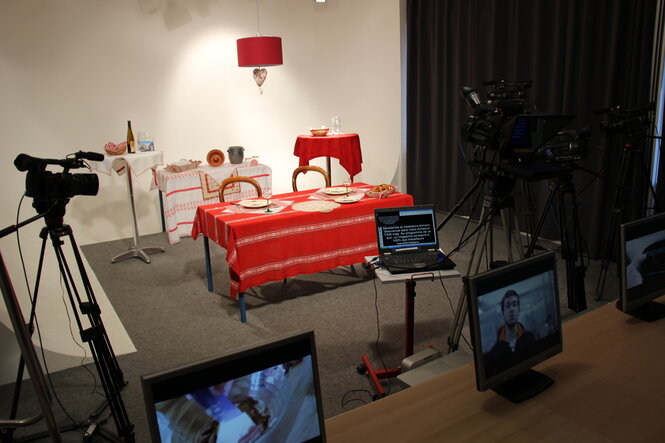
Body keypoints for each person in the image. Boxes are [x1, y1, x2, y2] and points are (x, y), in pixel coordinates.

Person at [484, 289, 536, 372]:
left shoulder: (529, 338)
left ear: (518, 310)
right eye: (508, 306)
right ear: (503, 313)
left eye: (514, 305)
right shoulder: (496, 351)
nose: (512, 309)